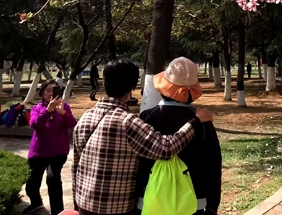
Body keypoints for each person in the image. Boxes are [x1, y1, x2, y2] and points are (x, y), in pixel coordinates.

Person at [72, 58, 213, 215]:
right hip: (117, 207)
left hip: (84, 203)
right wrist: (196, 122)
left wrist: (76, 206)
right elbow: (166, 149)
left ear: (104, 82)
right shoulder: (129, 122)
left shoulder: (85, 117)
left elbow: (75, 166)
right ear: (132, 87)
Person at [136, 57, 222, 215]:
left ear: (163, 88)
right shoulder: (202, 120)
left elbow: (137, 163)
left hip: (149, 199)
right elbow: (213, 165)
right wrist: (212, 205)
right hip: (195, 201)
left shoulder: (147, 117)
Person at [25, 79, 77, 214]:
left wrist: (63, 114)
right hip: (38, 152)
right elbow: (35, 124)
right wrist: (48, 111)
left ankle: (57, 211)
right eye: (47, 90)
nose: (50, 93)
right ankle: (36, 203)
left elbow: (71, 123)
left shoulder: (64, 107)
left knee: (53, 179)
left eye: (54, 90)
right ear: (42, 93)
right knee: (31, 183)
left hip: (58, 152)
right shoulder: (37, 108)